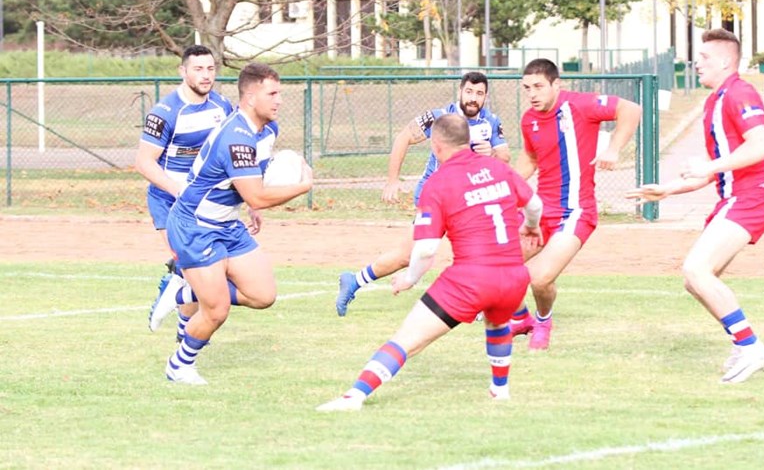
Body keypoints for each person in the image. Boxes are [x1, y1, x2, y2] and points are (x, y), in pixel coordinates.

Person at [317, 113, 543, 411]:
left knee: (407, 340)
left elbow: (425, 249)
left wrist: (411, 278)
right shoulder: (497, 168)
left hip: (471, 278)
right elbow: (534, 204)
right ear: (469, 140)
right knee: (497, 321)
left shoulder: (438, 183)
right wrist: (531, 225)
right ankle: (499, 391)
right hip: (514, 277)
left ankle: (354, 396)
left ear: (436, 146)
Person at [626, 28, 764, 384]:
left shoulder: (740, 92)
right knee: (695, 282)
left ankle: (752, 347)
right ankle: (743, 345)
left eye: (705, 58)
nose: (697, 64)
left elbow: (761, 145)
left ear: (725, 61)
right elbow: (710, 172)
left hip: (750, 197)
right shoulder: (715, 100)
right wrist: (667, 190)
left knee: (696, 269)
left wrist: (709, 167)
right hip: (736, 198)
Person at [150, 63, 313, 385]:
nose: (279, 100)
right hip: (195, 225)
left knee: (263, 295)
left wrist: (252, 201)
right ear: (251, 98)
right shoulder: (235, 138)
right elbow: (258, 196)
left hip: (228, 223)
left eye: (280, 93)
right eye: (273, 93)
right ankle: (179, 366)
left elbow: (251, 184)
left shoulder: (267, 130)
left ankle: (185, 291)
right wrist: (302, 186)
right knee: (216, 310)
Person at [335, 71, 510, 317]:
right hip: (437, 197)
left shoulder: (490, 122)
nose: (473, 98)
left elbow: (505, 157)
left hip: (470, 199)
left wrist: (490, 153)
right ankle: (354, 281)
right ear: (460, 91)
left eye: (479, 94)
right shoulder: (439, 117)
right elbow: (404, 137)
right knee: (407, 256)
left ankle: (484, 302)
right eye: (469, 92)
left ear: (485, 97)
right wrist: (392, 180)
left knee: (482, 248)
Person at [511, 58, 642, 350]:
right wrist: (506, 188)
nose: (532, 94)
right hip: (541, 213)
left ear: (557, 85)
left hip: (575, 212)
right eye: (527, 88)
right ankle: (521, 319)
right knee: (496, 265)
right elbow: (531, 159)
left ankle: (543, 321)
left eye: (538, 87)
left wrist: (613, 148)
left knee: (540, 278)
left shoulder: (580, 105)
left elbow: (631, 109)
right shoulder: (529, 119)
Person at [135, 44, 233, 342]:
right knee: (195, 267)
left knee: (202, 271)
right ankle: (179, 302)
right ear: (183, 71)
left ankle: (181, 324)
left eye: (210, 69)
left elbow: (229, 156)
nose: (206, 76)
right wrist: (179, 190)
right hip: (169, 201)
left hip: (205, 203)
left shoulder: (223, 107)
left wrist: (249, 201)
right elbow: (143, 162)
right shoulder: (165, 112)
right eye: (198, 69)